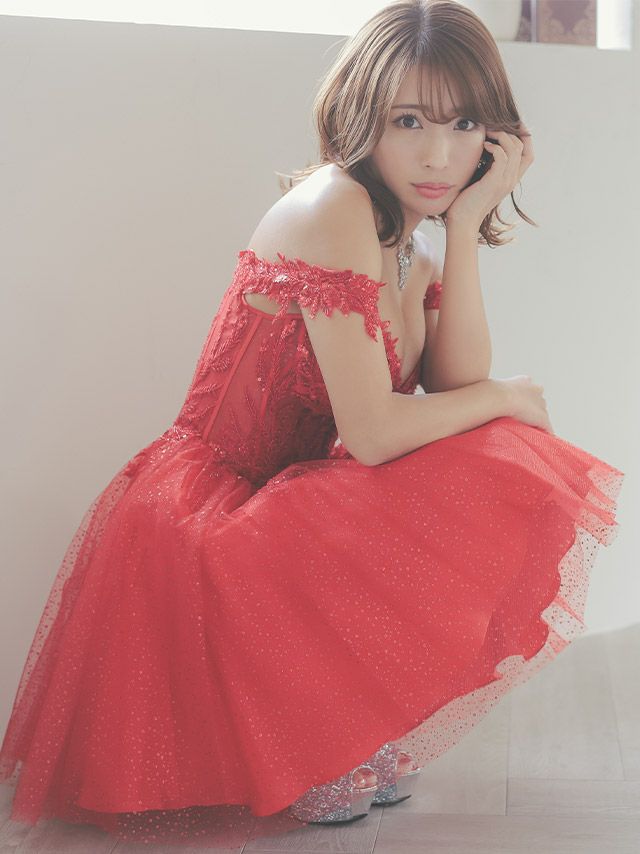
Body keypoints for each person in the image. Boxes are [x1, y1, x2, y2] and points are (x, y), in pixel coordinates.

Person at [0, 0, 624, 846]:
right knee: (490, 432)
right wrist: (510, 396)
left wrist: (464, 228)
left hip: (285, 505)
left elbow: (454, 383)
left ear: (495, 137)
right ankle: (316, 744)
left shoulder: (411, 235)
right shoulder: (335, 208)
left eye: (463, 125)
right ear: (362, 117)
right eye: (409, 121)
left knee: (490, 444)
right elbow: (375, 432)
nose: (438, 155)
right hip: (204, 522)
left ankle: (338, 732)